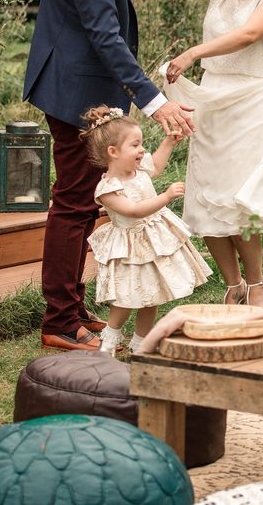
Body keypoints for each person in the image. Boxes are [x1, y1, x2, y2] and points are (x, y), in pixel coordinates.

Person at [23, 0, 195, 351]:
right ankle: (59, 319)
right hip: (76, 92)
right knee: (75, 205)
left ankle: (73, 308)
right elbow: (105, 38)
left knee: (79, 203)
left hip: (76, 82)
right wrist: (155, 101)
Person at [148, 0, 263, 308]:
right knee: (208, 191)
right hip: (214, 99)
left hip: (256, 101)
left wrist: (193, 51)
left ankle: (258, 283)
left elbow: (249, 34)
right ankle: (234, 285)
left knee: (242, 195)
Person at [80, 105, 212, 354]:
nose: (142, 150)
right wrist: (166, 196)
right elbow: (133, 210)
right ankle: (110, 338)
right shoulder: (109, 188)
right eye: (135, 145)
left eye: (141, 144)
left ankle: (141, 341)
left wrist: (169, 143)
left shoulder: (139, 169)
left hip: (154, 242)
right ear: (113, 152)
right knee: (126, 297)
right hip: (130, 249)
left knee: (153, 294)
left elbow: (157, 166)